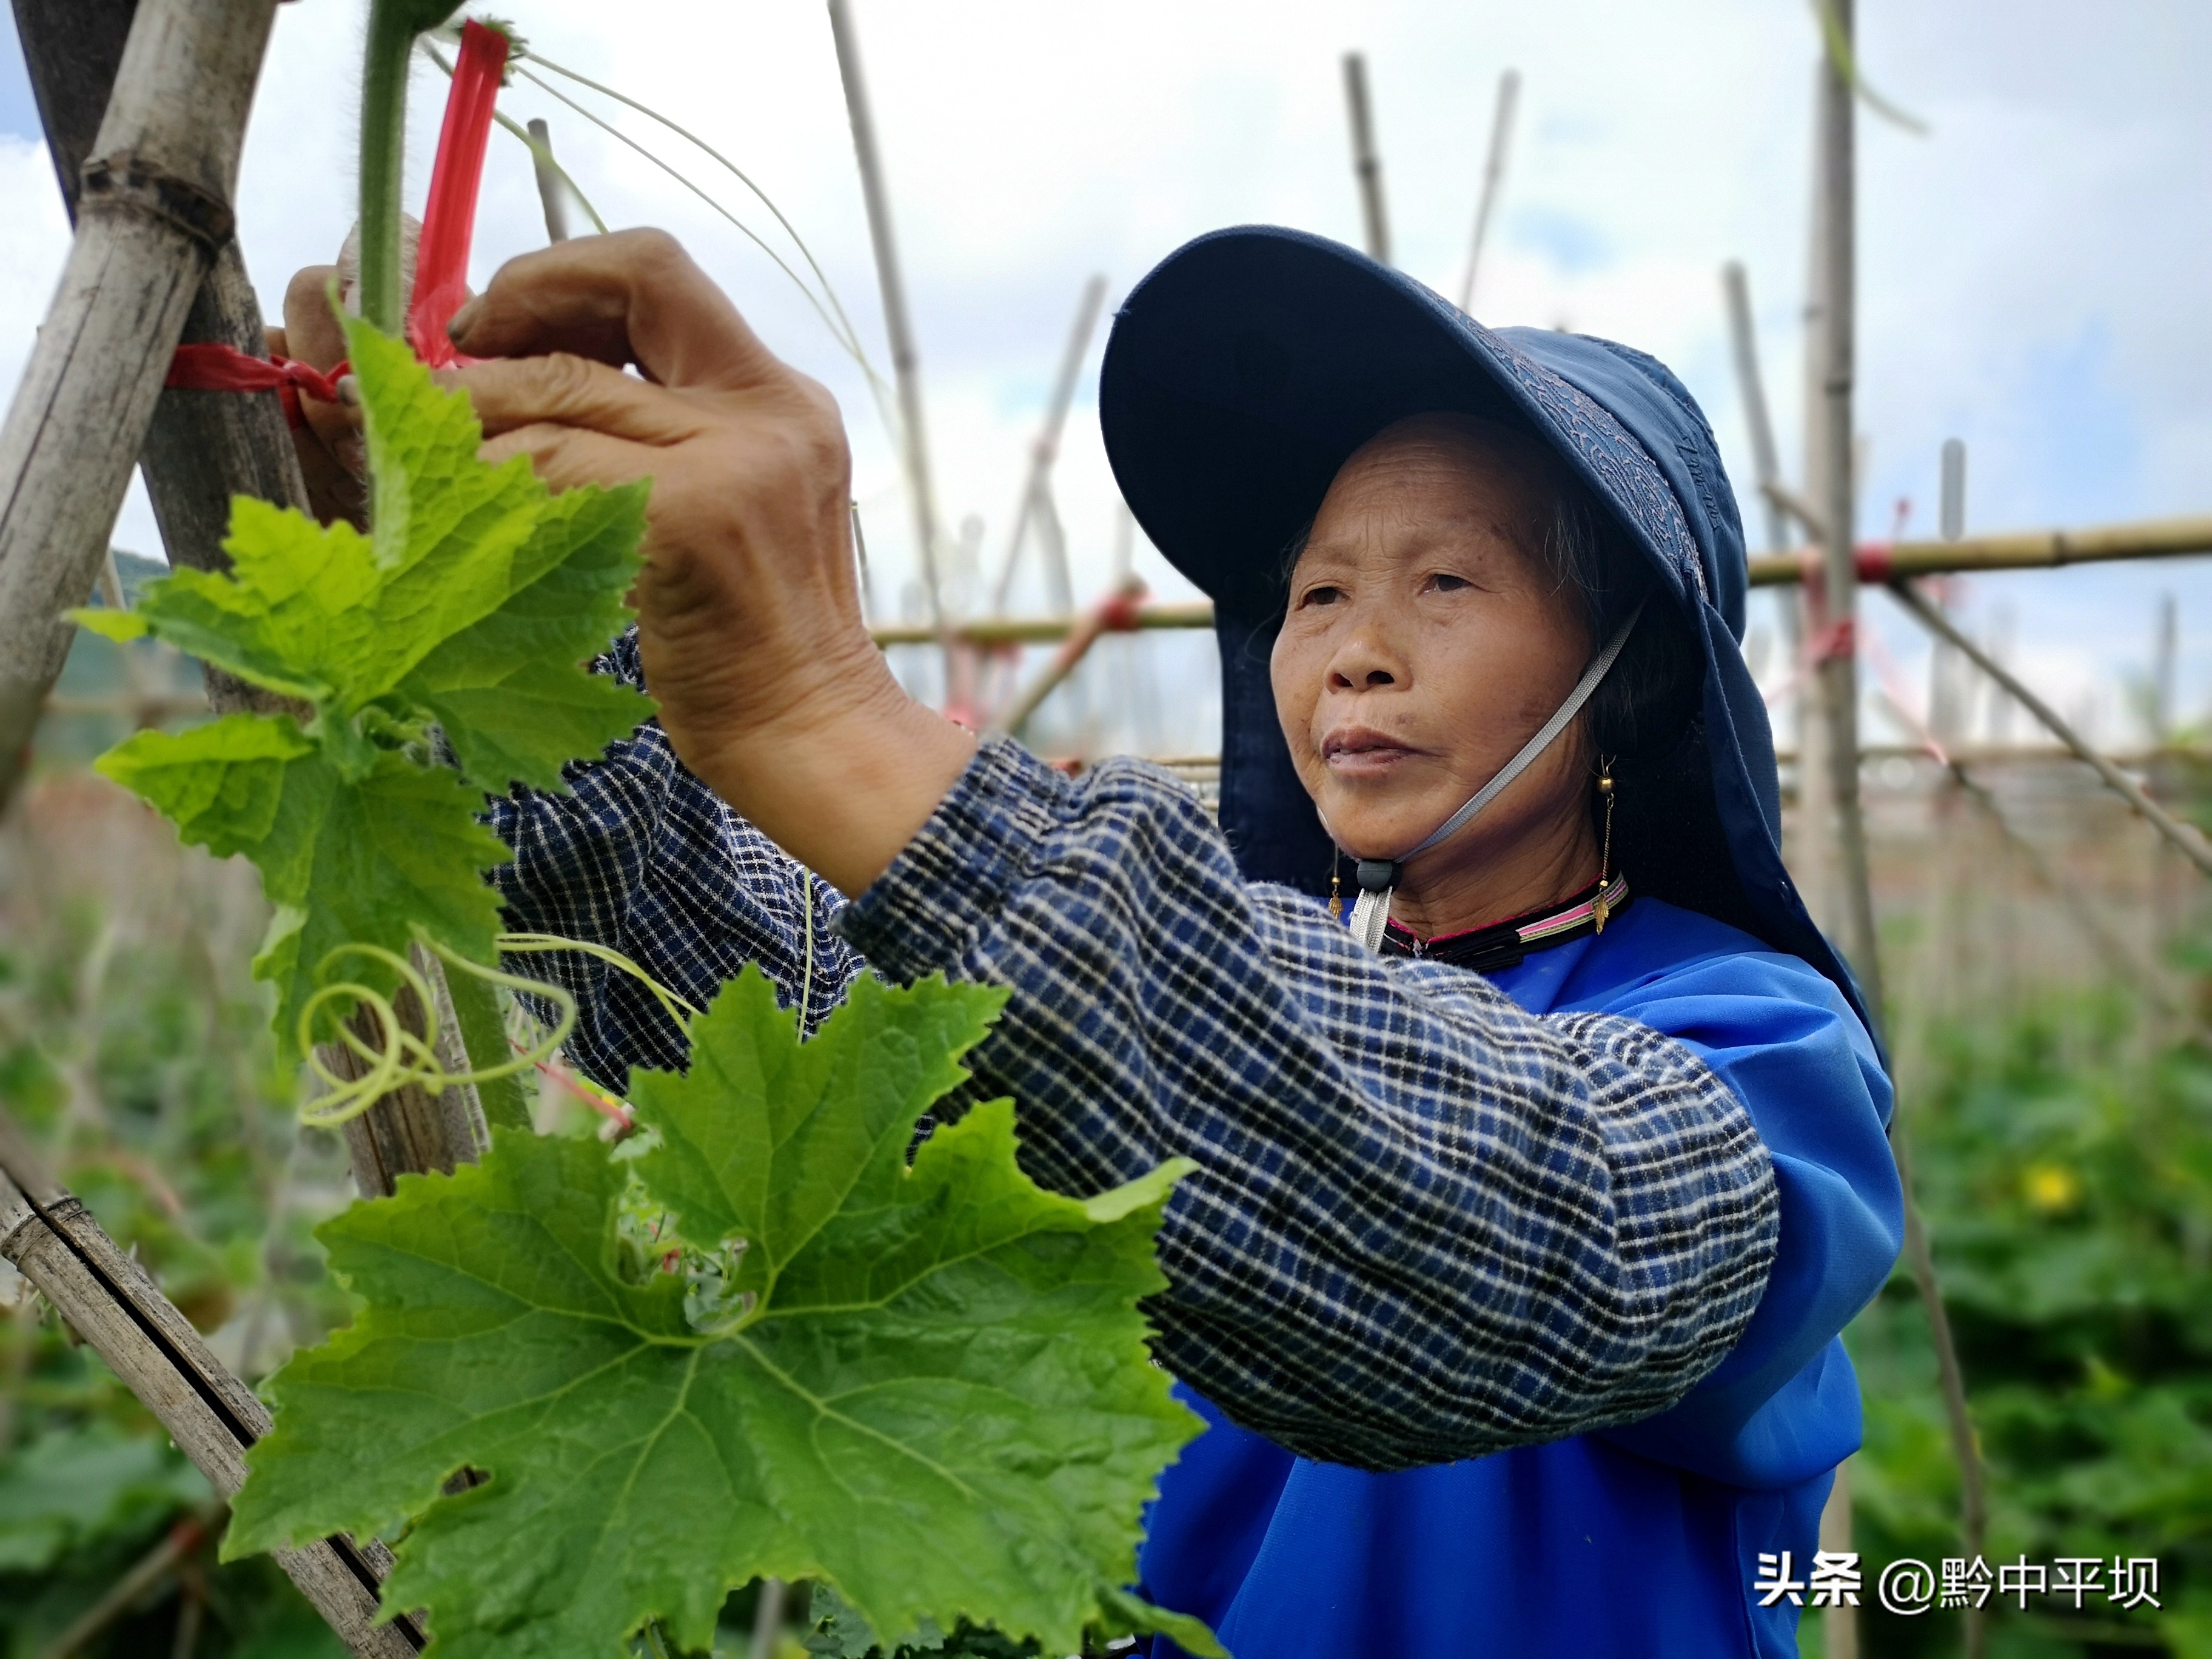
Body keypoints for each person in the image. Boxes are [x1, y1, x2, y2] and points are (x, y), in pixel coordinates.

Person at [276, 224, 1902, 1657]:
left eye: (1448, 580)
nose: (1358, 651)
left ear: (1627, 671)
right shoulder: (1231, 971)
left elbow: (1534, 1228)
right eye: (1316, 594)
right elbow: (816, 1025)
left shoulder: (1764, 1052)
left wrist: (821, 716)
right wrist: (512, 630)